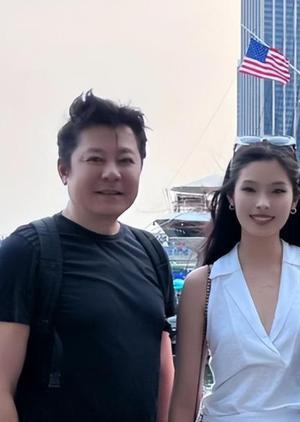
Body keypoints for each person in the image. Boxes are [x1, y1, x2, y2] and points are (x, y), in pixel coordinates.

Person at [0, 91, 176, 422]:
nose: (112, 173)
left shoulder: (150, 252)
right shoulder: (26, 252)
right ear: (64, 170)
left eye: (126, 160)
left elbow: (163, 366)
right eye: (95, 159)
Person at [168, 137, 300, 422]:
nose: (262, 203)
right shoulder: (203, 284)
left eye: (277, 191)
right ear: (231, 197)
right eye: (249, 189)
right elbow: (185, 399)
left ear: (294, 200)